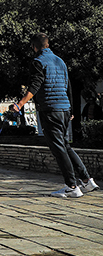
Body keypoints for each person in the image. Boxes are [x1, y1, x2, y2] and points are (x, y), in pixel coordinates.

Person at [8, 33, 97, 198]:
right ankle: (86, 180)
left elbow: (35, 85)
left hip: (50, 110)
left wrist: (19, 104)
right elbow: (68, 86)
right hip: (64, 109)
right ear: (47, 45)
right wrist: (70, 110)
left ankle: (71, 186)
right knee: (65, 146)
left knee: (58, 149)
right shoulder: (60, 61)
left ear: (35, 47)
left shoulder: (38, 62)